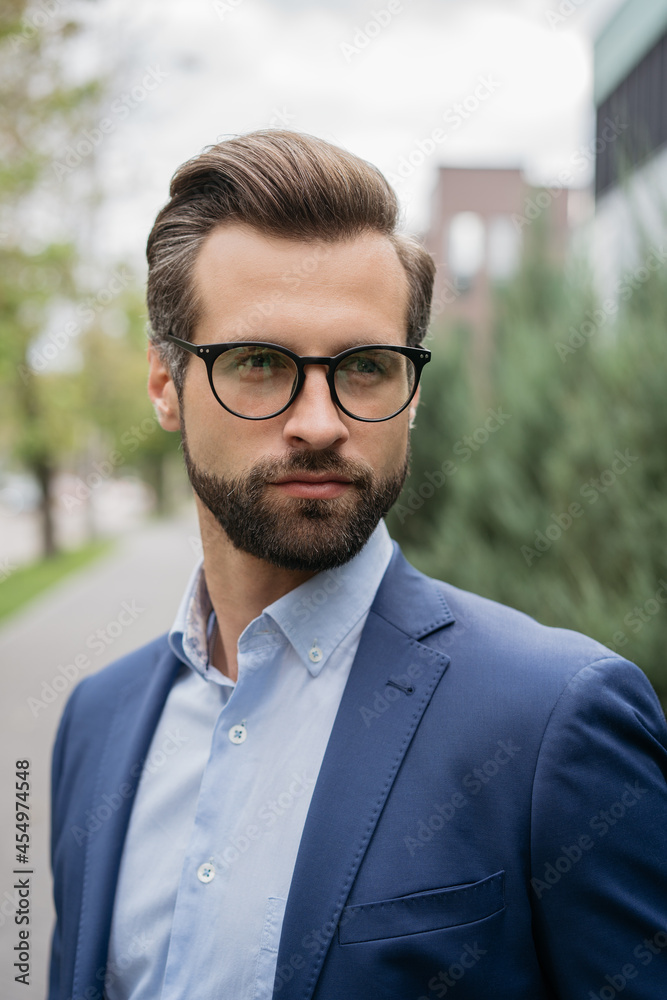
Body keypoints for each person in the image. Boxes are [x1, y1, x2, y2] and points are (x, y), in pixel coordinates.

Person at [49, 130, 667, 1000]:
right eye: (258, 364)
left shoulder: (553, 722)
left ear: (410, 393)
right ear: (163, 384)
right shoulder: (96, 720)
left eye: (365, 367)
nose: (318, 422)